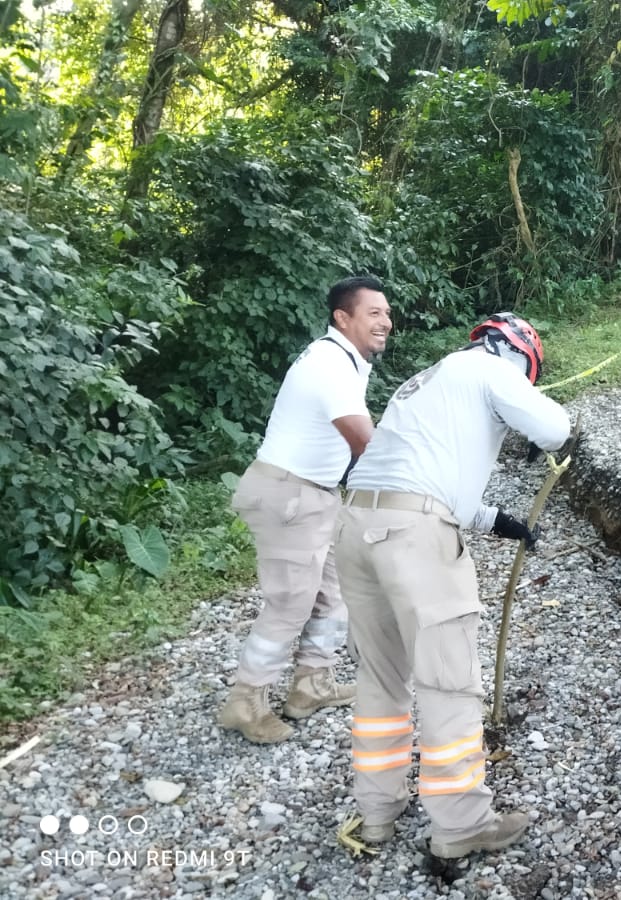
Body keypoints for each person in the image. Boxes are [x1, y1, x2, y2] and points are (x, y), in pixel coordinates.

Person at [335, 313, 570, 859]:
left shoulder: (427, 380)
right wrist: (543, 423)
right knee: (448, 683)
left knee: (381, 678)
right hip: (413, 539)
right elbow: (555, 429)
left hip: (357, 526)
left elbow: (422, 482)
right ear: (519, 354)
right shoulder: (491, 368)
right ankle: (461, 824)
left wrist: (498, 521)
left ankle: (378, 812)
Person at [218, 275, 391, 744]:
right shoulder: (331, 365)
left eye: (387, 313)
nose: (385, 322)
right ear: (342, 317)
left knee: (333, 590)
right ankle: (245, 701)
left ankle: (311, 685)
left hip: (315, 494)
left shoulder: (345, 360)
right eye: (374, 312)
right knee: (290, 603)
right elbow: (365, 444)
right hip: (289, 496)